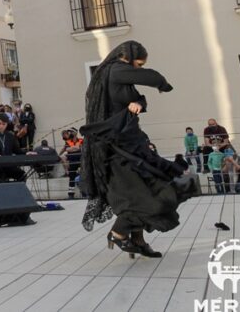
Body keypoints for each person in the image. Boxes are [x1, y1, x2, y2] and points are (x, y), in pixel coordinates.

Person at [80, 41, 188, 258]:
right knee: (144, 193)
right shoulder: (117, 70)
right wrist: (164, 85)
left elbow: (135, 98)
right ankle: (119, 234)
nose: (137, 69)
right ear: (127, 58)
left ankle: (137, 240)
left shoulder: (117, 76)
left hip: (130, 143)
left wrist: (139, 102)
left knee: (146, 188)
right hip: (119, 149)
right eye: (138, 64)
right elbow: (152, 77)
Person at [60, 129, 84, 198]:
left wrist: (73, 148)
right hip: (72, 161)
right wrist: (77, 148)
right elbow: (68, 149)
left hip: (81, 161)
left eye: (71, 131)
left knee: (84, 175)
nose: (70, 133)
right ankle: (71, 194)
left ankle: (84, 192)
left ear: (75, 133)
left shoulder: (81, 140)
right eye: (69, 132)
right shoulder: (68, 141)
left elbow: (81, 148)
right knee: (71, 177)